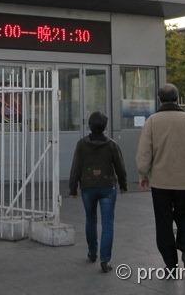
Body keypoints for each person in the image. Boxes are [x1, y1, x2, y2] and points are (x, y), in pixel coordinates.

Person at [136, 83, 185, 270]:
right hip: (184, 182)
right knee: (184, 216)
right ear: (178, 98)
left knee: (163, 221)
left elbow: (144, 152)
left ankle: (170, 262)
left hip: (160, 182)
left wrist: (143, 173)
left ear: (160, 99)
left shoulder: (152, 121)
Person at [69, 111, 127, 273]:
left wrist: (73, 188)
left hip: (88, 187)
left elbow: (75, 168)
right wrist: (123, 185)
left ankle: (92, 253)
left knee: (90, 219)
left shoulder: (81, 144)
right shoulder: (112, 145)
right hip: (108, 187)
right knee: (108, 224)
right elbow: (120, 168)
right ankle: (105, 260)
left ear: (89, 126)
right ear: (105, 127)